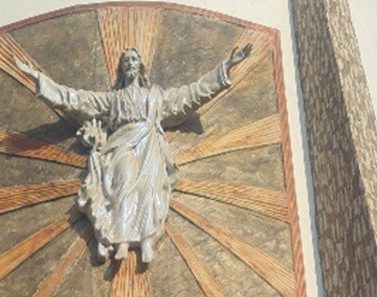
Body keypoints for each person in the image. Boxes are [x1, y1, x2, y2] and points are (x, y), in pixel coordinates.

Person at [14, 45, 252, 264]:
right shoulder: (112, 99)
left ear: (140, 66)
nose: (130, 63)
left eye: (134, 59)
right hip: (121, 145)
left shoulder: (156, 96)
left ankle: (146, 240)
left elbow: (189, 95)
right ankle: (120, 240)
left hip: (149, 144)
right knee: (124, 186)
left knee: (149, 190)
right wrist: (39, 79)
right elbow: (75, 99)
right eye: (126, 60)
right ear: (122, 68)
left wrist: (226, 67)